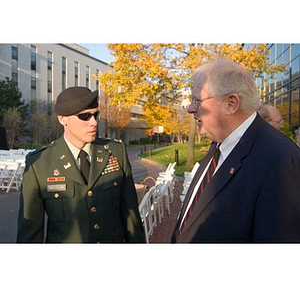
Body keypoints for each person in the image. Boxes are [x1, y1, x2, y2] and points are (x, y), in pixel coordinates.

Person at [171, 59, 300, 243]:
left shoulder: (281, 160)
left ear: (231, 104)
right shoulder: (219, 143)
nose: (190, 109)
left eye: (197, 101)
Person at [17, 86, 145, 243]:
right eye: (85, 116)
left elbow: (131, 215)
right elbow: (30, 232)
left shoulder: (115, 152)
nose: (94, 122)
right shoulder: (40, 163)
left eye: (95, 115)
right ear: (62, 119)